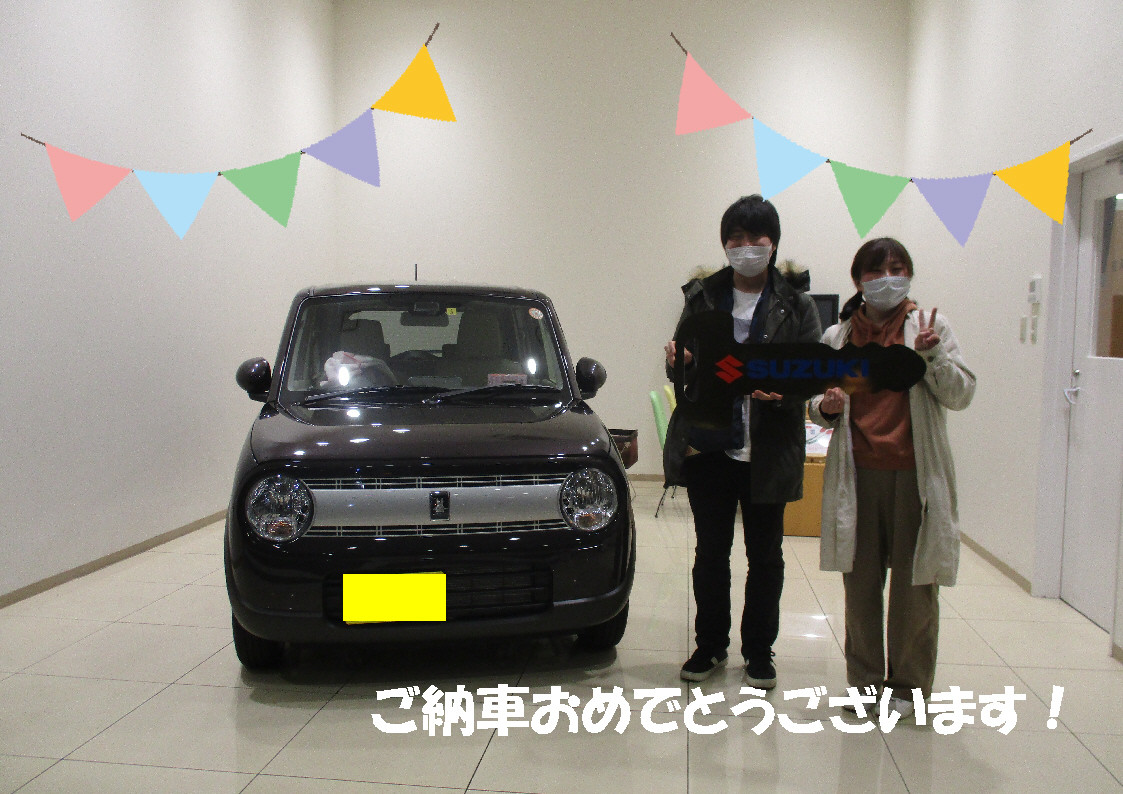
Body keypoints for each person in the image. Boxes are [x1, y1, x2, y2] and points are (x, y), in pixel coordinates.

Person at [808, 237, 976, 716]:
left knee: (914, 585)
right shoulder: (838, 337)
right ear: (858, 280)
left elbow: (961, 395)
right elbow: (816, 405)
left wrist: (932, 358)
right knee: (859, 587)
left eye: (897, 269)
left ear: (909, 275)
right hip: (857, 475)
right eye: (876, 271)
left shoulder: (930, 328)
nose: (887, 279)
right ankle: (864, 684)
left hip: (915, 475)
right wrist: (826, 406)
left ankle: (907, 688)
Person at [663, 194, 822, 686]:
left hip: (768, 448)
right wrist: (679, 363)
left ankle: (758, 651)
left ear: (773, 244)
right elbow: (682, 368)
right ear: (724, 244)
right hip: (710, 444)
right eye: (736, 238)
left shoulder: (796, 304)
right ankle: (710, 646)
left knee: (765, 556)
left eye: (756, 237)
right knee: (710, 554)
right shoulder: (703, 297)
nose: (746, 246)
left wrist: (786, 389)